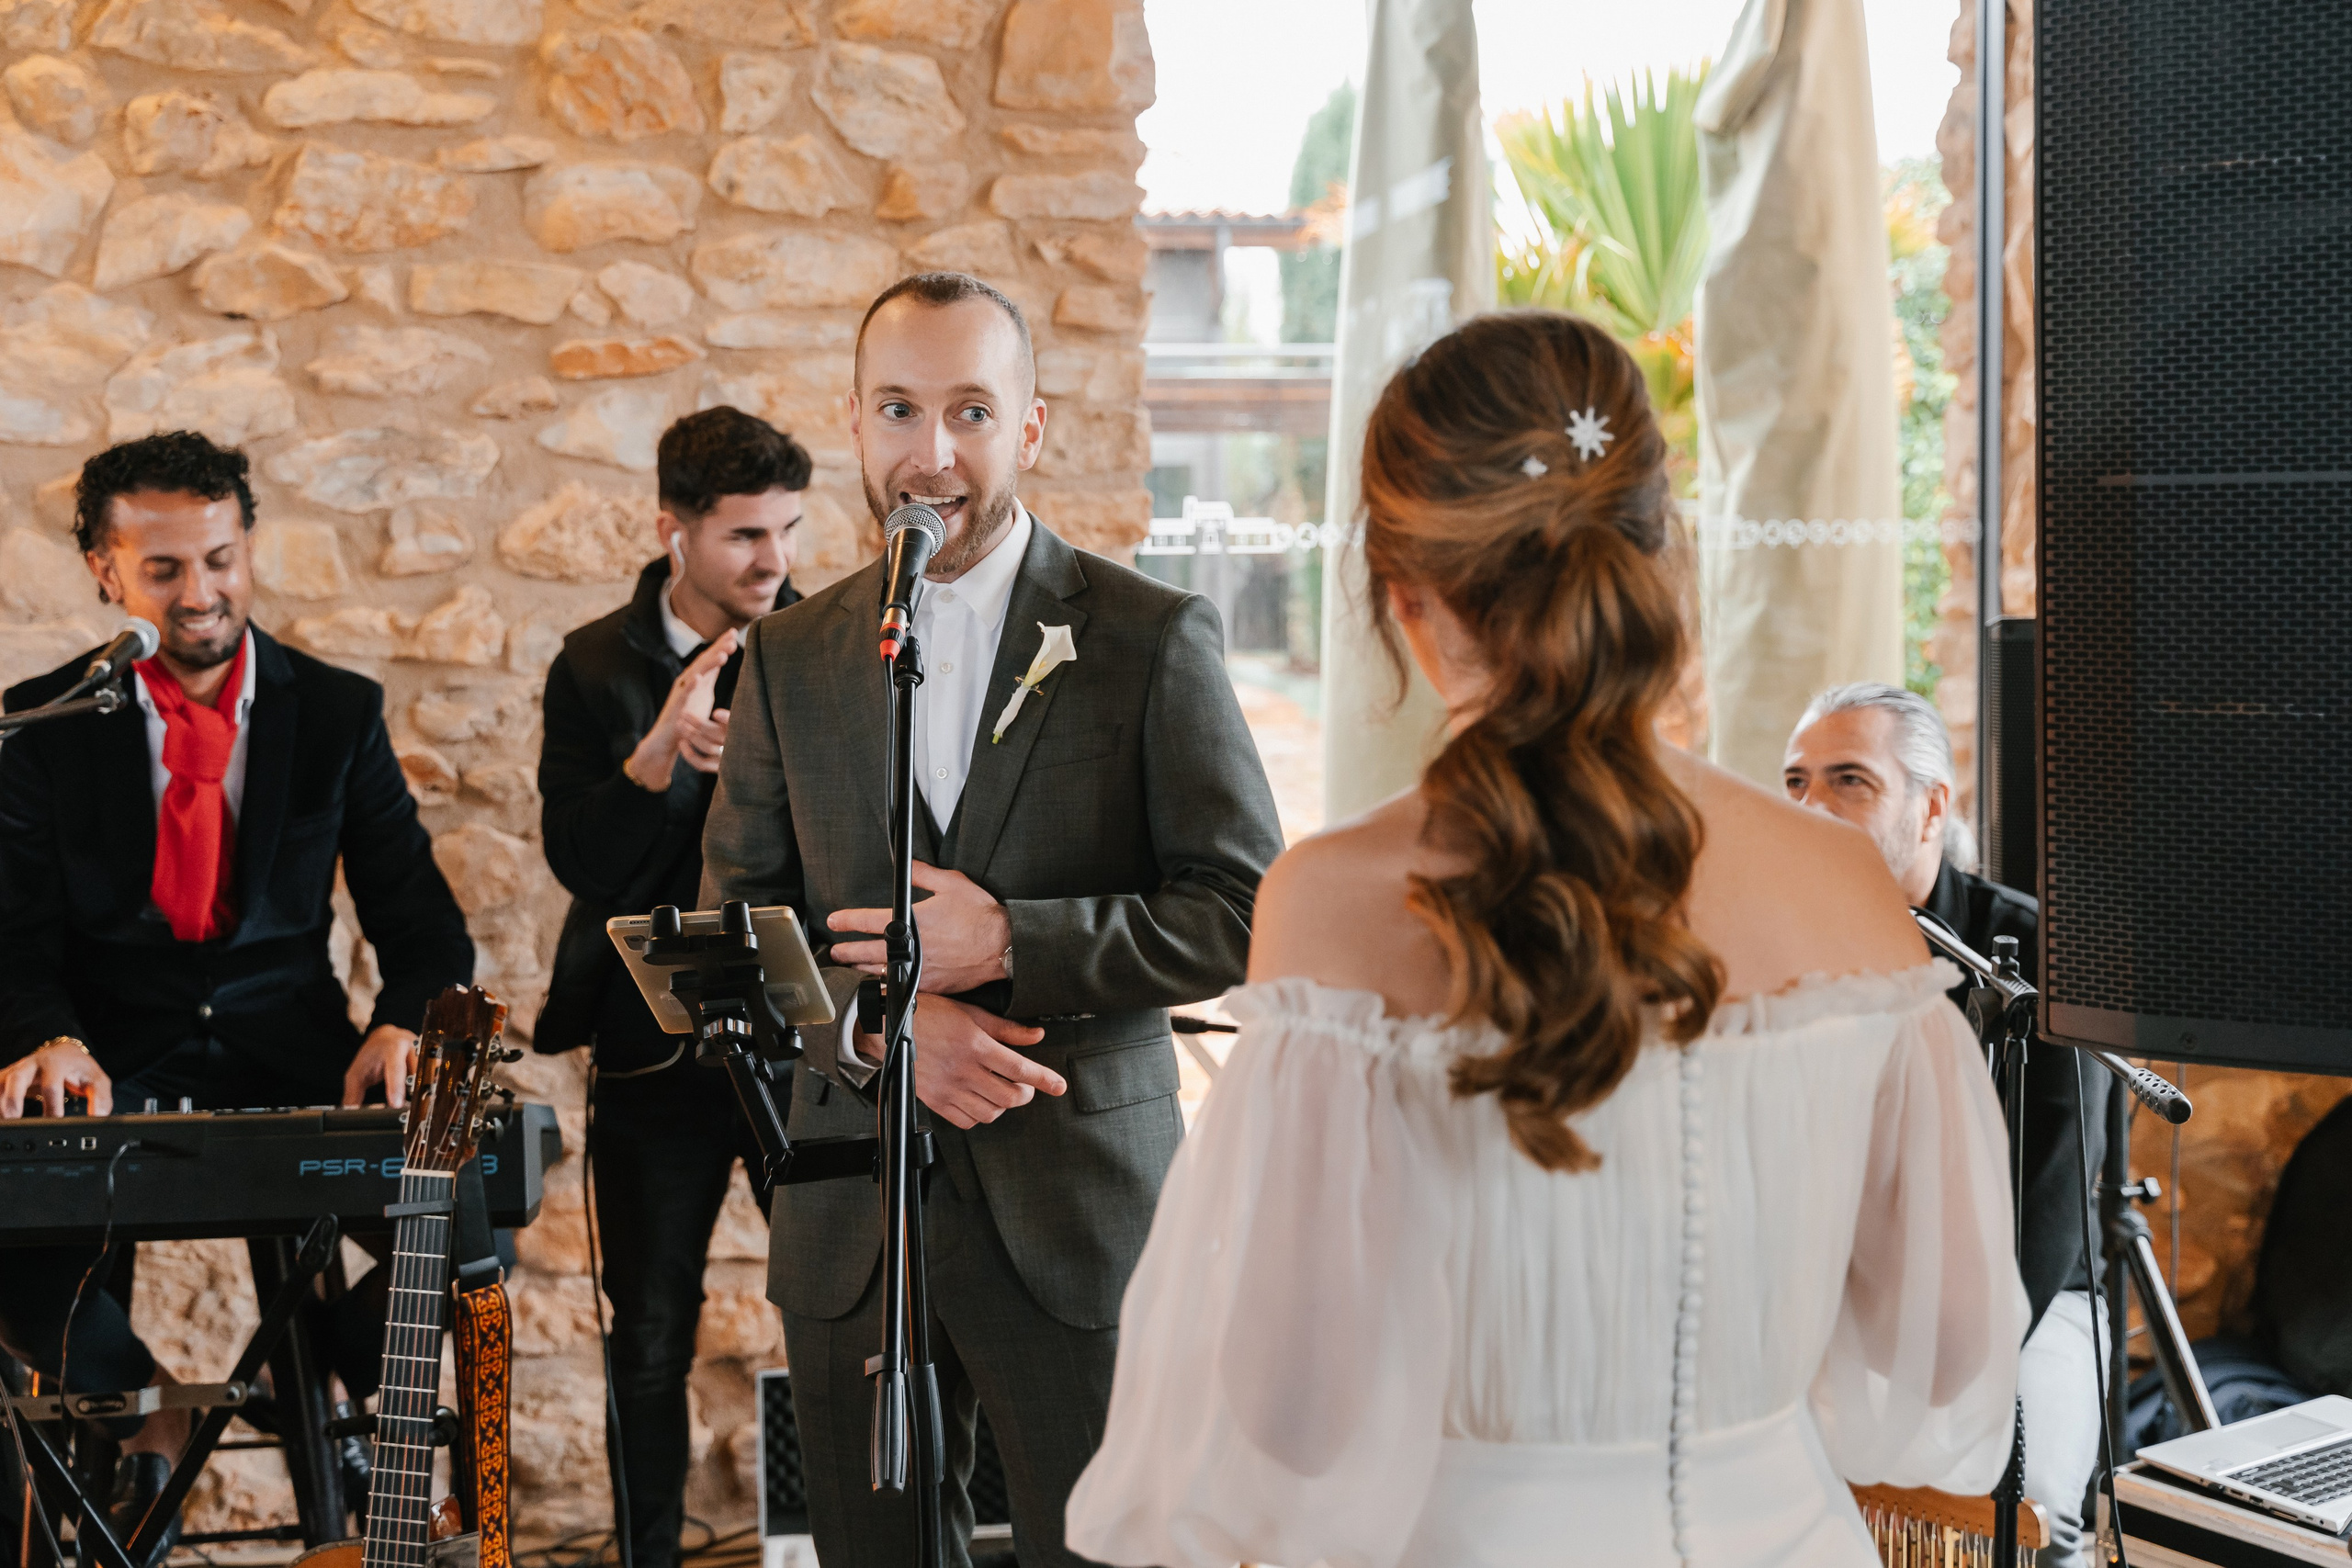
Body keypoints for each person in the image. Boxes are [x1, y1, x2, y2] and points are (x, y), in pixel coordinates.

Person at [1065, 311, 2029, 1568]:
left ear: (1406, 600)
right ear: (1657, 557)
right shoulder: (1846, 885)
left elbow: (1292, 1414)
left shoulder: (1334, 899)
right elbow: (1953, 1342)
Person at [702, 271, 1284, 1568]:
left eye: (972, 409)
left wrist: (1016, 940)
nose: (933, 451)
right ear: (854, 422)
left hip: (1078, 1216)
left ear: (1029, 428)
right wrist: (886, 1029)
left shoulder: (1147, 638)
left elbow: (1248, 910)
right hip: (858, 1224)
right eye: (902, 409)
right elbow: (742, 929)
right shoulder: (790, 660)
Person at [0, 430, 473, 1536]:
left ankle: (327, 1358)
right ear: (106, 574)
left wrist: (403, 1022)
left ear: (248, 546)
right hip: (109, 1062)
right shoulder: (40, 724)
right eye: (163, 568)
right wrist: (45, 1036)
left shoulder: (338, 713)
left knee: (457, 1239)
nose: (200, 591)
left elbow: (423, 923)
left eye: (219, 557)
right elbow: (11, 936)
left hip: (292, 1047)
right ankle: (148, 1415)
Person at [535, 405, 810, 1568]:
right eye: (747, 536)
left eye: (790, 530)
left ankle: (850, 1541)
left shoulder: (827, 645)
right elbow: (582, 866)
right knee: (646, 1331)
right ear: (673, 529)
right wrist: (655, 757)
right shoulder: (593, 662)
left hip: (800, 1033)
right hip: (650, 1045)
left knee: (842, 1302)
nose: (775, 561)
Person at [1783, 682, 2109, 1568]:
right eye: (1796, 782)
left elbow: (2048, 1207)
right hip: (1837, 1296)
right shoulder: (1785, 952)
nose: (1811, 807)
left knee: (2031, 1502)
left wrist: (1951, 1366)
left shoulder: (2041, 954)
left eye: (1850, 780)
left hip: (2031, 1302)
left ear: (1931, 807)